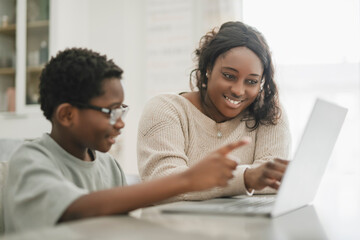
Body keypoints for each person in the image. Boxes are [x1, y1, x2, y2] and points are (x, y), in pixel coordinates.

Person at [3, 48, 251, 234]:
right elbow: (76, 210)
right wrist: (187, 180)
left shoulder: (109, 167)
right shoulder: (30, 160)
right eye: (111, 111)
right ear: (67, 115)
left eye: (122, 110)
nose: (121, 122)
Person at [137, 21, 291, 201]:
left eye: (251, 81)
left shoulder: (269, 113)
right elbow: (162, 184)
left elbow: (273, 181)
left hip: (244, 226)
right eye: (229, 76)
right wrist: (246, 178)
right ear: (208, 68)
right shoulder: (165, 109)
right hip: (174, 226)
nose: (238, 90)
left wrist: (249, 180)